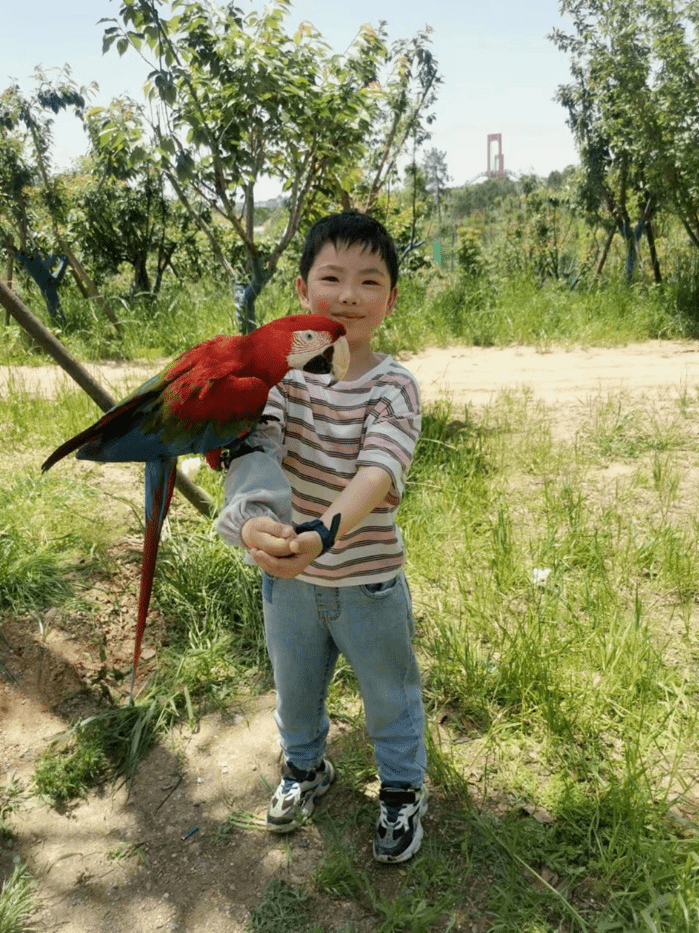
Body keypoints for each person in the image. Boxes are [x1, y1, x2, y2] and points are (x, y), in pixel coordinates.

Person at [215, 210, 427, 863]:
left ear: (390, 300)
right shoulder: (280, 378)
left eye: (370, 281)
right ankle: (305, 768)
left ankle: (401, 788)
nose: (349, 294)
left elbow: (375, 472)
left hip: (367, 580)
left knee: (390, 691)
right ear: (303, 290)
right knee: (295, 688)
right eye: (332, 277)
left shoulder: (394, 386)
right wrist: (251, 521)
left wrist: (322, 531)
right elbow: (255, 452)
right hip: (290, 585)